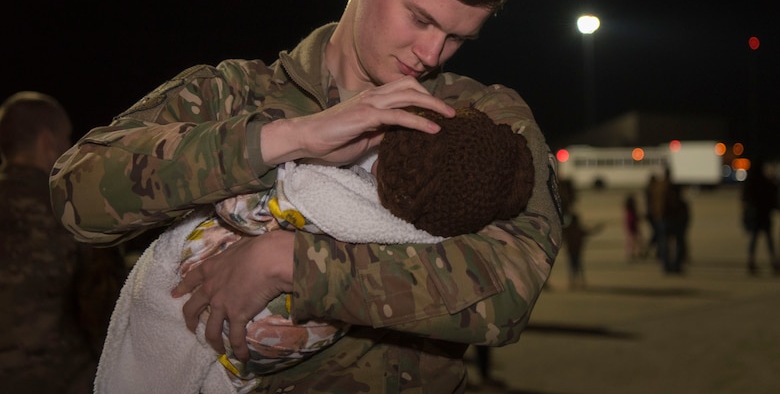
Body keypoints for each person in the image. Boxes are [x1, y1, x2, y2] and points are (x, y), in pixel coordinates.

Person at [50, 0, 564, 392]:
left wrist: (293, 266)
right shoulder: (233, 94)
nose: (431, 54)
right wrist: (285, 139)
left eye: (456, 37)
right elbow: (76, 197)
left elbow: (509, 291)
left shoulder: (479, 120)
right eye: (420, 18)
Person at [96, 107, 535, 393]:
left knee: (150, 352)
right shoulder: (424, 238)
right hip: (261, 354)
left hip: (204, 304)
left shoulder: (328, 191)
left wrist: (283, 257)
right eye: (419, 19)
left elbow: (243, 207)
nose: (433, 49)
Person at [0, 92, 125, 393]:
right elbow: (107, 311)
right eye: (66, 139)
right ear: (47, 143)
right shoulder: (73, 211)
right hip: (61, 379)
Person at [741, 158, 779, 275]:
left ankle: (751, 261)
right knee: (768, 240)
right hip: (763, 214)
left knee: (755, 239)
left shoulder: (751, 182)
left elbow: (745, 198)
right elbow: (772, 194)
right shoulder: (764, 182)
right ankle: (773, 261)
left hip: (756, 214)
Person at [624, 193, 643, 262]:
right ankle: (635, 252)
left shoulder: (628, 211)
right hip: (633, 227)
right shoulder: (631, 211)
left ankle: (632, 252)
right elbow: (633, 220)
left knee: (632, 241)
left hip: (631, 227)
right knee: (635, 240)